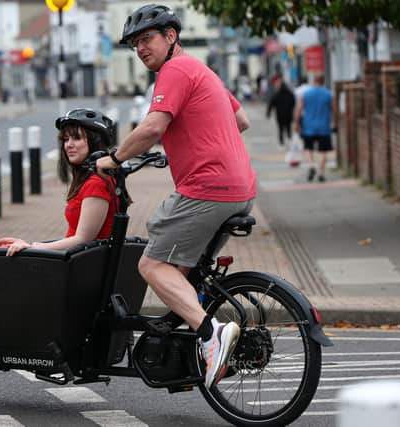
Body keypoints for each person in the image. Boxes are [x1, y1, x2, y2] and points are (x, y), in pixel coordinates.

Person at [95, 4, 256, 388]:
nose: (140, 49)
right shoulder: (202, 70)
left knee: (152, 266)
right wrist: (193, 143)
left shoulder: (175, 70)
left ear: (171, 37)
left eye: (147, 39)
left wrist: (113, 158)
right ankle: (193, 352)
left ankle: (211, 335)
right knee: (180, 273)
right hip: (241, 188)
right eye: (135, 44)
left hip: (207, 190)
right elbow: (241, 121)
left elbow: (152, 127)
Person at [0, 108, 117, 255]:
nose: (68, 145)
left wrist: (32, 247)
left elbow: (82, 239)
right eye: (66, 139)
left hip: (83, 265)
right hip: (77, 259)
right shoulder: (92, 179)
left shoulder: (97, 184)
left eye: (76, 138)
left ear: (95, 142)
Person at [294, 74, 335, 182]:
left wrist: (296, 123)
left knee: (308, 148)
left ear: (314, 81)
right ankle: (321, 173)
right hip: (324, 127)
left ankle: (311, 165)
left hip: (308, 126)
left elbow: (299, 110)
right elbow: (334, 110)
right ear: (323, 81)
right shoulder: (329, 94)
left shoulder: (306, 94)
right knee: (323, 151)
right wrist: (335, 123)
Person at [266, 75, 296, 146]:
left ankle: (281, 142)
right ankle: (289, 140)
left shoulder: (277, 94)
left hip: (280, 115)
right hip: (288, 114)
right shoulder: (290, 93)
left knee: (281, 129)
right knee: (288, 128)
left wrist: (268, 113)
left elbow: (271, 104)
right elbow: (293, 103)